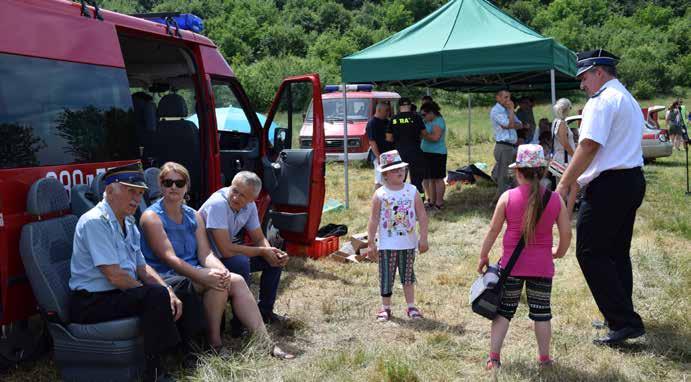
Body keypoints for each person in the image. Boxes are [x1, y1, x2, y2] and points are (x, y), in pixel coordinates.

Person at [139, 162, 292, 359]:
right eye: (168, 182)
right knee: (219, 281)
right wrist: (204, 275)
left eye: (179, 182)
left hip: (193, 270)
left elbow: (206, 254)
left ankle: (265, 342)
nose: (173, 187)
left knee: (231, 278)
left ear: (187, 186)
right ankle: (215, 344)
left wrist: (220, 270)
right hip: (166, 277)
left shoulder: (193, 215)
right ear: (160, 185)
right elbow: (169, 258)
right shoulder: (151, 217)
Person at [557, 49, 647, 346]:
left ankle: (624, 322)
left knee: (591, 252)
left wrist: (564, 184)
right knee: (615, 252)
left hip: (610, 185)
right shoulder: (627, 98)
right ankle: (620, 316)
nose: (582, 85)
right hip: (630, 180)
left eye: (584, 77)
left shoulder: (602, 101)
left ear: (598, 72)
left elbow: (589, 146)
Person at [69, 163, 182, 382]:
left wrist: (168, 290)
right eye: (131, 191)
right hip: (91, 302)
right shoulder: (95, 221)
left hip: (115, 294)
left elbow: (142, 267)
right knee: (155, 296)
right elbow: (114, 275)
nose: (137, 198)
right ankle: (154, 371)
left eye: (140, 193)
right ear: (110, 190)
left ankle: (189, 351)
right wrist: (154, 293)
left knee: (178, 286)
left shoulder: (128, 223)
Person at [477, 144, 571, 370]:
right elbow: (567, 233)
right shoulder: (555, 200)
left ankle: (494, 358)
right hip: (541, 267)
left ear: (517, 172)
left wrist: (483, 255)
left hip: (511, 267)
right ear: (544, 171)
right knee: (542, 313)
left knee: (504, 312)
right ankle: (544, 358)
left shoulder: (507, 197)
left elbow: (493, 230)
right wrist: (559, 252)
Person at [198, 171, 288, 331]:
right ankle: (239, 322)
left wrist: (271, 253)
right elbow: (225, 250)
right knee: (240, 263)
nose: (235, 197)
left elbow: (259, 238)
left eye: (242, 196)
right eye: (234, 190)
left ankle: (264, 312)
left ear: (253, 199)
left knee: (274, 261)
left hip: (222, 254)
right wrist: (261, 251)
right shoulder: (217, 204)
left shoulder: (250, 207)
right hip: (206, 259)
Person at [367, 150, 429, 321]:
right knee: (386, 276)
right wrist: (371, 242)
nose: (400, 172)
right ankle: (385, 308)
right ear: (385, 174)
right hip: (387, 245)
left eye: (401, 169)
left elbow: (422, 216)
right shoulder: (380, 194)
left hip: (408, 244)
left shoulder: (412, 190)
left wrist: (423, 238)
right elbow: (373, 220)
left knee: (408, 276)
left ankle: (411, 307)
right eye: (395, 170)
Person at [386, 97, 426, 199]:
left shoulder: (394, 119)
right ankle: (419, 201)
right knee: (416, 179)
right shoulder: (416, 117)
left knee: (399, 178)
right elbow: (423, 134)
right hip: (415, 151)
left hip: (399, 153)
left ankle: (399, 199)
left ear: (399, 107)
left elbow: (389, 138)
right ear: (409, 105)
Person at [490, 90, 524, 202]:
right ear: (498, 98)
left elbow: (520, 125)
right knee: (503, 176)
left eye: (509, 97)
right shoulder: (496, 111)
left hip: (512, 146)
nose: (508, 100)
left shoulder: (507, 110)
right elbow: (509, 125)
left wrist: (513, 122)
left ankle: (514, 199)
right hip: (503, 146)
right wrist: (511, 111)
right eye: (505, 97)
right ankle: (501, 202)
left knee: (514, 174)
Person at [550, 98, 578, 214]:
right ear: (566, 109)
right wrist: (575, 155)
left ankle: (558, 212)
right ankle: (567, 213)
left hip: (559, 158)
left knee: (561, 187)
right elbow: (565, 143)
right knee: (573, 187)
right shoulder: (561, 124)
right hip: (565, 159)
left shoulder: (555, 122)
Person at [420, 101, 447, 210]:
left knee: (438, 179)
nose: (423, 117)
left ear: (431, 113)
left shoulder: (438, 121)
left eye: (424, 114)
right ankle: (432, 200)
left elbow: (435, 138)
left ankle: (439, 203)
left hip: (437, 153)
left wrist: (423, 134)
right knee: (431, 178)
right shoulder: (427, 121)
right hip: (427, 153)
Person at [366, 102, 393, 189]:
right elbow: (372, 142)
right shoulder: (372, 124)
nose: (388, 113)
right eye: (386, 111)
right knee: (379, 181)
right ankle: (376, 201)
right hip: (379, 155)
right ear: (379, 110)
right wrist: (378, 157)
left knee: (389, 179)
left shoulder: (387, 122)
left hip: (390, 155)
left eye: (388, 111)